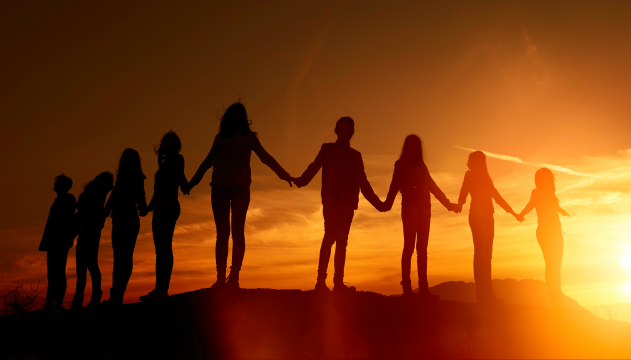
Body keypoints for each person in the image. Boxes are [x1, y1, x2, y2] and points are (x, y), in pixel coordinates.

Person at [187, 102, 293, 290]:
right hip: (219, 188)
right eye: (233, 114)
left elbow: (265, 157)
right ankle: (220, 278)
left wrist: (284, 175)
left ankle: (234, 277)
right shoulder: (220, 138)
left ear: (243, 118)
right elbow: (207, 161)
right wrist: (192, 181)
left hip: (240, 189)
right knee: (222, 234)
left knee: (237, 233)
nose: (236, 117)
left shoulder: (249, 138)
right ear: (228, 117)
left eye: (239, 114)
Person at [294, 117, 383, 293]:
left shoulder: (356, 156)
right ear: (336, 131)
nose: (344, 132)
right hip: (331, 202)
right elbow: (315, 166)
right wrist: (301, 180)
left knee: (342, 241)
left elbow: (363, 182)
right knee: (329, 238)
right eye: (341, 129)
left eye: (347, 129)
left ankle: (338, 283)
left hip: (348, 204)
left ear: (352, 133)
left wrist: (378, 203)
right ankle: (321, 281)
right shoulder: (327, 149)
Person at [382, 135, 458, 299]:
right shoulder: (401, 165)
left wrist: (448, 204)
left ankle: (423, 289)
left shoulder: (422, 166)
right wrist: (387, 203)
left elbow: (432, 186)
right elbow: (395, 184)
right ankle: (407, 289)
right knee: (409, 247)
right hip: (410, 209)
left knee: (422, 250)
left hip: (425, 209)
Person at [455, 151, 521, 303]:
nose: (480, 163)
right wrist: (460, 203)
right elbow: (464, 190)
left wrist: (513, 212)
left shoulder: (486, 177)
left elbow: (496, 196)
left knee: (487, 255)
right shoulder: (469, 175)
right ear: (471, 162)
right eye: (477, 160)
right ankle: (481, 293)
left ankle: (489, 293)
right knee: (480, 254)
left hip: (488, 217)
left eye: (482, 160)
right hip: (476, 217)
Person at [139, 131, 189, 301]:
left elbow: (179, 175)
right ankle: (159, 287)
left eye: (171, 143)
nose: (167, 146)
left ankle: (162, 288)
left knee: (164, 248)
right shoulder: (163, 165)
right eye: (165, 143)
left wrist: (185, 185)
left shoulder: (176, 159)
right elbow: (157, 192)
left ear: (176, 147)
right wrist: (148, 209)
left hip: (169, 207)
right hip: (160, 208)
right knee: (160, 250)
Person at [517, 168, 571, 305]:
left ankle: (557, 298)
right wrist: (521, 214)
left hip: (556, 231)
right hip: (545, 232)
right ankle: (555, 299)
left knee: (556, 266)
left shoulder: (551, 193)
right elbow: (531, 204)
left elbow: (553, 206)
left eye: (547, 177)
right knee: (551, 265)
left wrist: (562, 211)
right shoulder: (536, 192)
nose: (546, 180)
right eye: (542, 178)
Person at [104, 149, 148, 305]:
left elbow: (140, 193)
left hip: (130, 219)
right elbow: (113, 196)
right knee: (118, 257)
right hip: (117, 220)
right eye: (125, 158)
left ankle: (119, 292)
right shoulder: (120, 177)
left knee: (125, 256)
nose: (128, 160)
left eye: (131, 158)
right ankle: (115, 294)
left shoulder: (136, 176)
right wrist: (105, 212)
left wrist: (143, 207)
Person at [71, 172, 114, 309]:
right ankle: (89, 299)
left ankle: (84, 300)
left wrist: (81, 227)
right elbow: (85, 210)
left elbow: (84, 210)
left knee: (86, 266)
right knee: (88, 266)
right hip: (88, 230)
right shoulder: (98, 195)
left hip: (88, 231)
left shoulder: (96, 195)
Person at [39, 174, 77, 312]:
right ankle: (49, 306)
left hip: (61, 241)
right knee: (52, 274)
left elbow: (70, 218)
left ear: (66, 185)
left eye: (59, 182)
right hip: (52, 241)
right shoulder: (56, 201)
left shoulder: (69, 198)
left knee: (59, 273)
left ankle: (56, 306)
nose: (56, 184)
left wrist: (69, 235)